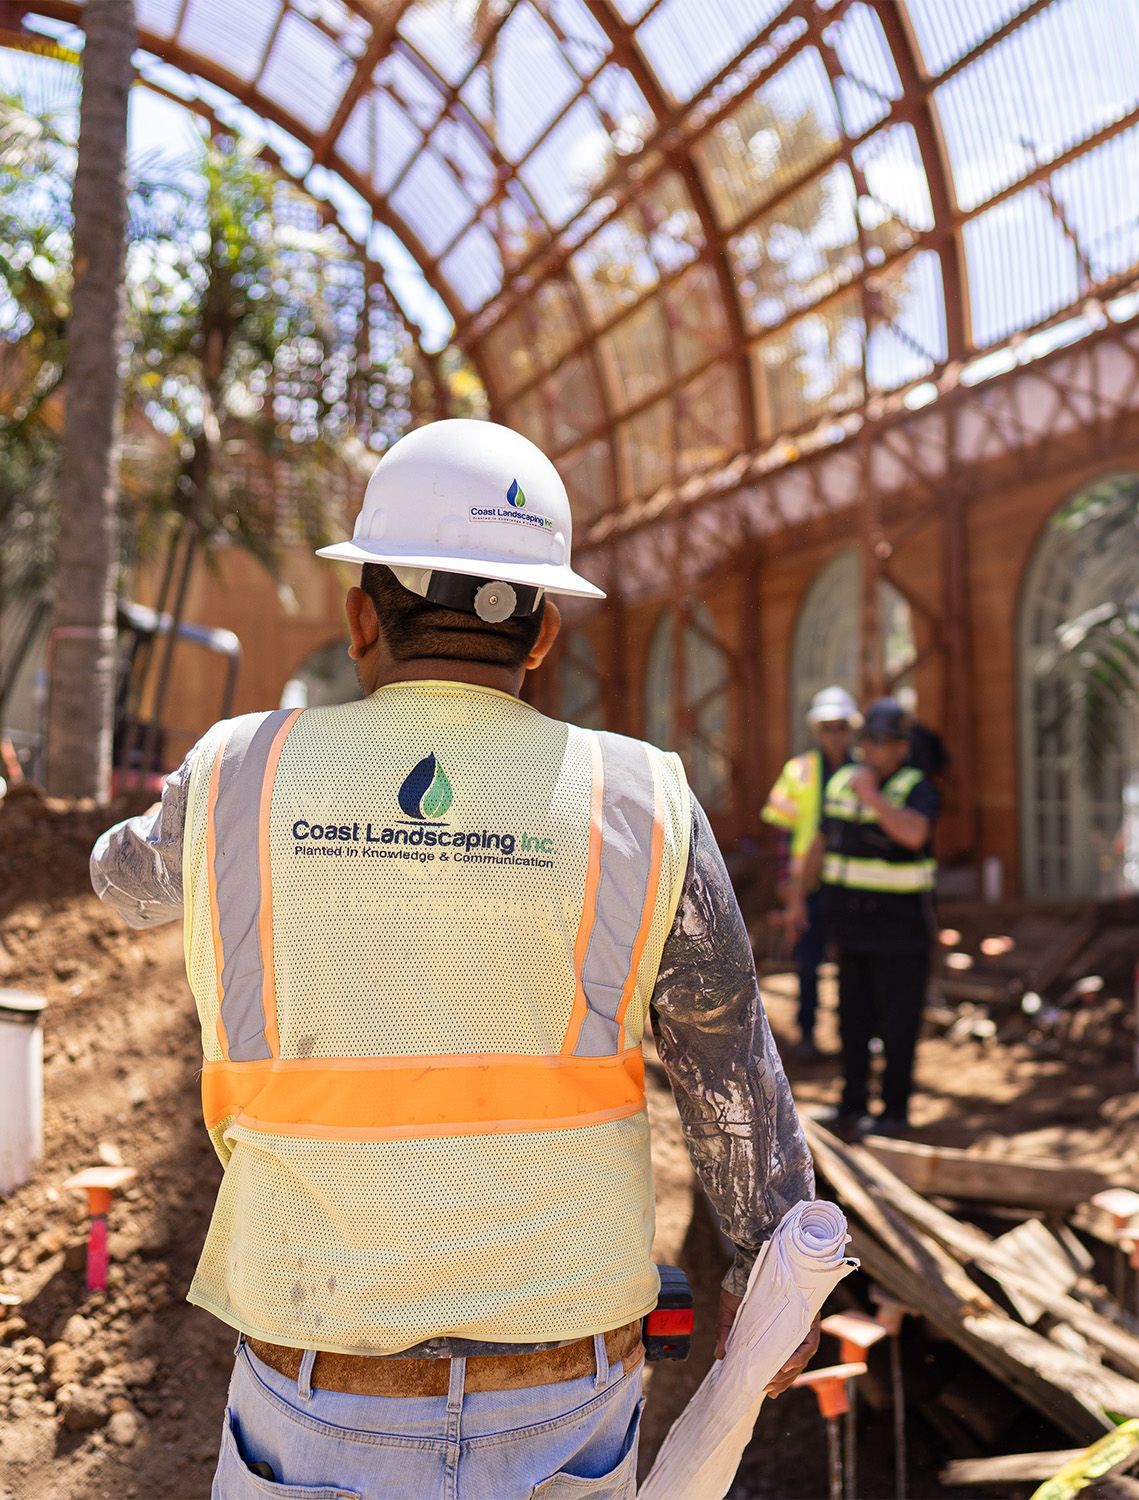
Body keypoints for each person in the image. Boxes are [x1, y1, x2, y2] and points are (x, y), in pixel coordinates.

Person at [90, 419, 818, 1500]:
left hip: (315, 1384)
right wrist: (776, 1286)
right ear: (541, 638)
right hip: (565, 1394)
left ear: (356, 619)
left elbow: (123, 882)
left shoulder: (239, 772)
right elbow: (730, 1068)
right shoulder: (643, 800)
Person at [797, 698, 939, 1138]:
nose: (872, 752)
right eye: (869, 743)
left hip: (902, 932)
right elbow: (820, 841)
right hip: (852, 929)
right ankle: (850, 1105)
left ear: (902, 748)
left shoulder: (917, 787)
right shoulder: (842, 784)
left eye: (883, 744)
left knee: (899, 1025)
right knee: (852, 1021)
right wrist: (798, 900)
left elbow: (914, 833)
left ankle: (893, 1113)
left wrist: (872, 797)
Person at [761, 687, 860, 1060]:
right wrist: (788, 883)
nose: (834, 735)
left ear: (850, 730)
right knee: (808, 961)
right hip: (809, 886)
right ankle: (807, 1034)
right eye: (827, 728)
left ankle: (856, 1033)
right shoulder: (798, 770)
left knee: (855, 961)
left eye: (840, 727)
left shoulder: (862, 770)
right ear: (817, 731)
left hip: (852, 882)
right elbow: (783, 833)